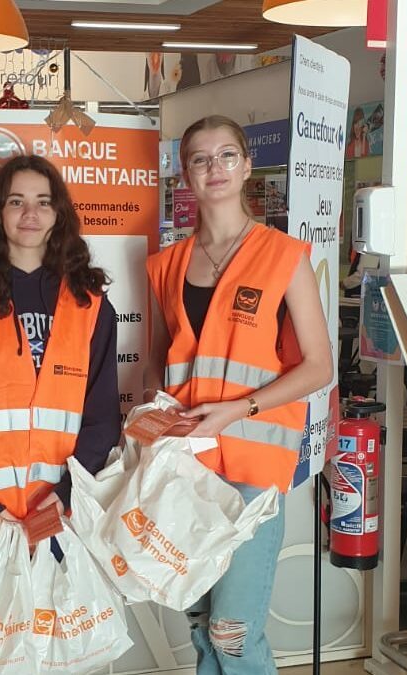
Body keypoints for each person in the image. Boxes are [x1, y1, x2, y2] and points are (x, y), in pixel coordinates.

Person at [144, 115, 332, 674]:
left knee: (233, 631)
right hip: (185, 466)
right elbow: (164, 361)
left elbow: (319, 365)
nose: (215, 168)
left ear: (248, 166)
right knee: (201, 625)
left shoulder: (284, 256)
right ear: (186, 175)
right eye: (200, 159)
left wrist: (238, 409)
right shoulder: (166, 264)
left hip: (252, 470)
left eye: (227, 155)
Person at [0, 154, 120, 560]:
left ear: (59, 213)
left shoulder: (89, 305)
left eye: (43, 201)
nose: (30, 214)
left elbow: (103, 417)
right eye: (16, 201)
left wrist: (66, 495)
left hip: (65, 513)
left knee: (62, 625)